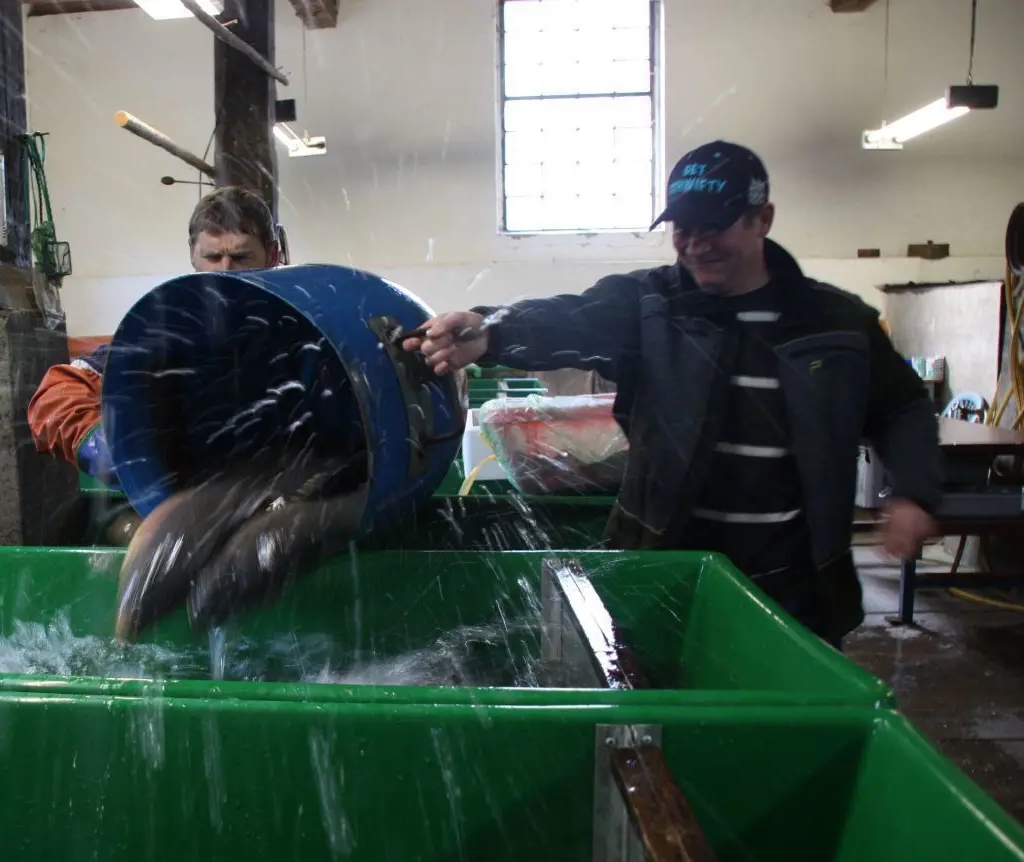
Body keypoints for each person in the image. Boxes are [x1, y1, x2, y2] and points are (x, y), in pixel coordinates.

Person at [403, 140, 941, 648]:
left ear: (764, 219)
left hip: (795, 584)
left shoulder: (838, 325)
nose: (696, 243)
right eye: (683, 227)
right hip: (663, 566)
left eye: (714, 225)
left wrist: (913, 492)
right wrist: (490, 329)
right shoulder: (650, 305)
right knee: (656, 719)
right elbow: (570, 317)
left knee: (781, 726)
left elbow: (903, 405)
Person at [27, 186, 282, 488]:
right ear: (192, 255)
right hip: (194, 499)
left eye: (241, 256)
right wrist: (105, 449)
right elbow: (56, 395)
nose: (225, 272)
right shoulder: (165, 335)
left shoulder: (301, 329)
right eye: (213, 257)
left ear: (272, 254)